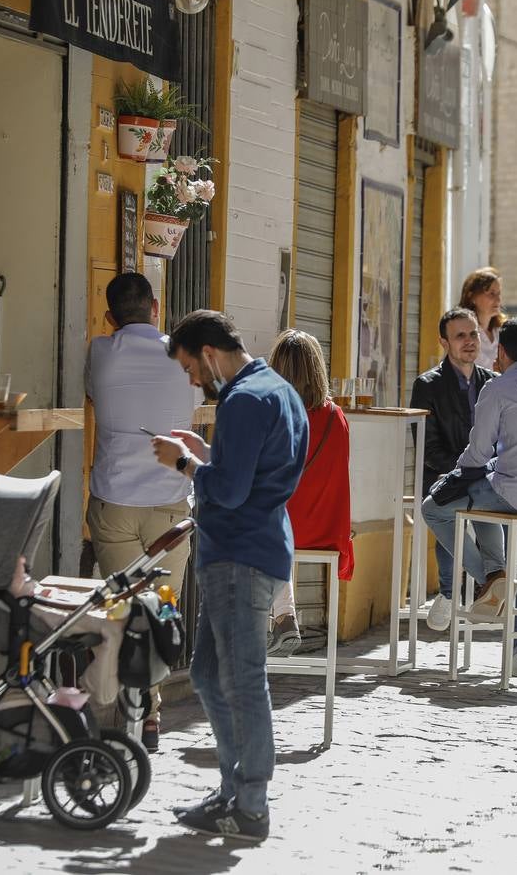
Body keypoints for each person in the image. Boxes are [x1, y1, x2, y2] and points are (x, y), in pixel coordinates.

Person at [150, 310, 307, 842]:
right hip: (258, 546)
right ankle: (234, 790)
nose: (193, 381)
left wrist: (183, 464)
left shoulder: (242, 399)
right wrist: (207, 455)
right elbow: (254, 472)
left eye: (192, 368)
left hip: (239, 554)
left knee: (239, 680)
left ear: (210, 353)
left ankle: (252, 803)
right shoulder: (278, 391)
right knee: (209, 675)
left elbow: (232, 490)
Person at [421, 317, 517, 677]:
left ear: (501, 352)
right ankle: (516, 647)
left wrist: (459, 476)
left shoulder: (498, 388)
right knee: (483, 502)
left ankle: (491, 579)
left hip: (514, 494)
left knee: (435, 509)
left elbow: (475, 456)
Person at [84, 272, 196, 752]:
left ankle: (123, 710)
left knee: (121, 611)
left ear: (110, 318)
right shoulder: (183, 356)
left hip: (115, 503)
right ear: (156, 308)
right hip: (170, 508)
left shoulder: (100, 352)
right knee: (161, 610)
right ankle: (148, 715)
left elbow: (93, 394)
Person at [265, 329, 354, 656]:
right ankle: (282, 617)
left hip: (281, 530)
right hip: (326, 530)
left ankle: (280, 617)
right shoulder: (336, 417)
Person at [410, 308, 496, 631]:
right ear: (444, 342)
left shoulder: (492, 383)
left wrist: (484, 473)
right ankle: (462, 589)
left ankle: (487, 585)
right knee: (447, 506)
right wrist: (466, 472)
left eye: (473, 334)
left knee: (490, 514)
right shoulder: (427, 385)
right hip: (445, 478)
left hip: (486, 479)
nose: (470, 342)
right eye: (460, 335)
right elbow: (428, 448)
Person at [459, 266, 506, 372]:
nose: (498, 300)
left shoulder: (502, 332)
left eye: (499, 293)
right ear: (472, 297)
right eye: (491, 294)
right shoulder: (460, 332)